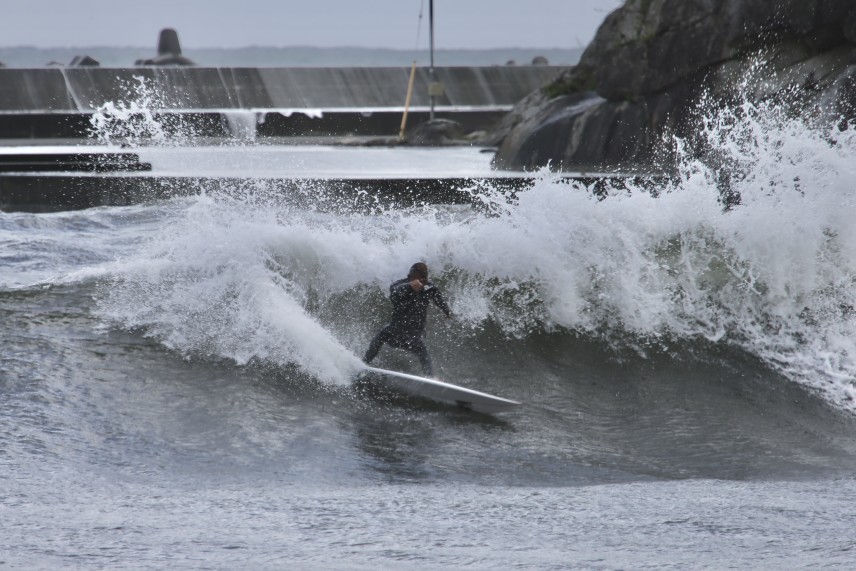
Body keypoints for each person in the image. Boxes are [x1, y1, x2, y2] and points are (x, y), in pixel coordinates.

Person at [363, 262, 452, 377]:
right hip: (395, 332)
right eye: (417, 279)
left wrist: (447, 312)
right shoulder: (399, 285)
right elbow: (394, 292)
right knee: (381, 335)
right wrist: (409, 286)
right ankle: (364, 364)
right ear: (410, 277)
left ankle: (430, 378)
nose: (420, 282)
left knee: (423, 353)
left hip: (414, 335)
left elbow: (439, 300)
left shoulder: (429, 289)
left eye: (423, 279)